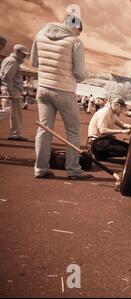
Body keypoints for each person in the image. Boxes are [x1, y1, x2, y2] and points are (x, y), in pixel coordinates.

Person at [31, 13, 93, 180]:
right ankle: (73, 170)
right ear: (76, 27)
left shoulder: (40, 34)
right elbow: (79, 73)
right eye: (79, 31)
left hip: (43, 89)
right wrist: (82, 76)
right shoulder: (75, 42)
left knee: (44, 130)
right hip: (64, 91)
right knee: (73, 131)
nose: (78, 34)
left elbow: (34, 62)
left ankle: (40, 169)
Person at [0, 44, 30, 141]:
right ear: (17, 52)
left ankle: (15, 133)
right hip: (11, 90)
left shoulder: (9, 60)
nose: (24, 56)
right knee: (9, 111)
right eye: (23, 54)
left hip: (10, 90)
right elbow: (7, 77)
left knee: (14, 113)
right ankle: (15, 133)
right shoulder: (13, 62)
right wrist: (11, 91)